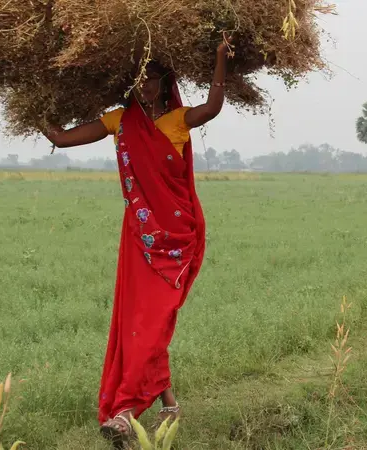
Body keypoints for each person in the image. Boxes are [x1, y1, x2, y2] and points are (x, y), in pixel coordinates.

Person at [43, 36, 233, 443]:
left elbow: (213, 108)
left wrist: (220, 58)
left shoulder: (179, 119)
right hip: (140, 239)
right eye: (139, 78)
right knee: (141, 320)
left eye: (152, 78)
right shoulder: (120, 120)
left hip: (177, 239)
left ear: (165, 82)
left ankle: (126, 410)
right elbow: (61, 138)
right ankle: (157, 404)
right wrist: (33, 100)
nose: (144, 85)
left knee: (156, 318)